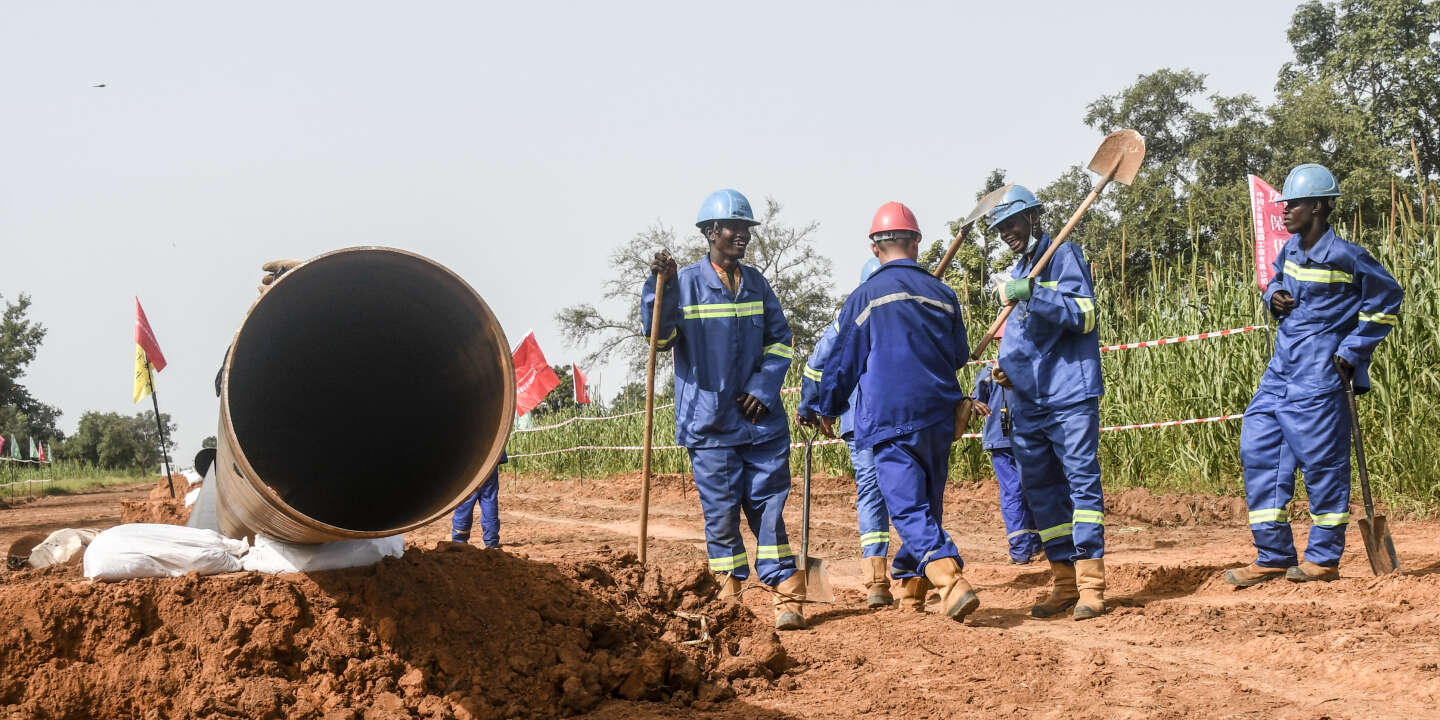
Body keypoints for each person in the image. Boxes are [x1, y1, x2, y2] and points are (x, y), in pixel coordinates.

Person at [1225, 163, 1403, 587]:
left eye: (1295, 204)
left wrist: (1353, 350)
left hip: (1320, 376)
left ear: (1320, 207)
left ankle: (1323, 559)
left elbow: (1387, 300)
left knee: (1323, 466)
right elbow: (1273, 279)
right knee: (1258, 449)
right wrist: (1274, 294)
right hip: (1280, 372)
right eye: (1284, 204)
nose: (1285, 212)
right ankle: (1272, 554)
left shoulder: (1347, 255)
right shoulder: (1290, 250)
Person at [642, 188, 806, 631]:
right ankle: (729, 602)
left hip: (760, 424)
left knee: (769, 509)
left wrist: (764, 387)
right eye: (735, 228)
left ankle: (785, 595)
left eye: (747, 229)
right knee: (721, 519)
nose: (743, 236)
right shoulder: (686, 284)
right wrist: (659, 288)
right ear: (712, 232)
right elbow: (658, 340)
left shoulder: (757, 283)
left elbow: (779, 342)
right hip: (709, 426)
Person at [809, 201, 979, 622]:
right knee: (926, 505)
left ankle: (951, 579)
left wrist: (826, 406)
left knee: (905, 508)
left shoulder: (864, 296)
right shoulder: (943, 295)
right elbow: (959, 356)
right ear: (916, 243)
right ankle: (910, 589)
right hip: (940, 415)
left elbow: (844, 362)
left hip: (890, 419)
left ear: (874, 247)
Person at [986, 185, 1107, 621]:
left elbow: (1085, 315)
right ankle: (1064, 581)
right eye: (1000, 229)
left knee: (1080, 484)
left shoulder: (1063, 254)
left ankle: (1092, 585)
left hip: (1070, 394)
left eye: (1012, 224)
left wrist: (1033, 293)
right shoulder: (1019, 271)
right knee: (1042, 494)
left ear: (1034, 218)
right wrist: (1004, 370)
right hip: (1027, 401)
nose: (1007, 234)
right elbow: (1022, 342)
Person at [799, 257, 895, 610]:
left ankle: (877, 582)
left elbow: (816, 365)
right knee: (910, 492)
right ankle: (915, 576)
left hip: (863, 421)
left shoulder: (849, 316)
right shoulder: (907, 313)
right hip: (904, 419)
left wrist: (810, 405)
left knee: (871, 494)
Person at [971, 326, 1043, 564]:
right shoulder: (1028, 371)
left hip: (1010, 439)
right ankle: (1029, 547)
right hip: (1019, 440)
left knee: (1016, 491)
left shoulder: (989, 373)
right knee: (1026, 489)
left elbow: (973, 404)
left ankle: (1025, 548)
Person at [451, 451, 508, 548]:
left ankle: (459, 539)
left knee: (465, 501)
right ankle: (491, 541)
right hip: (491, 462)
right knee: (489, 500)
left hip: (470, 463)